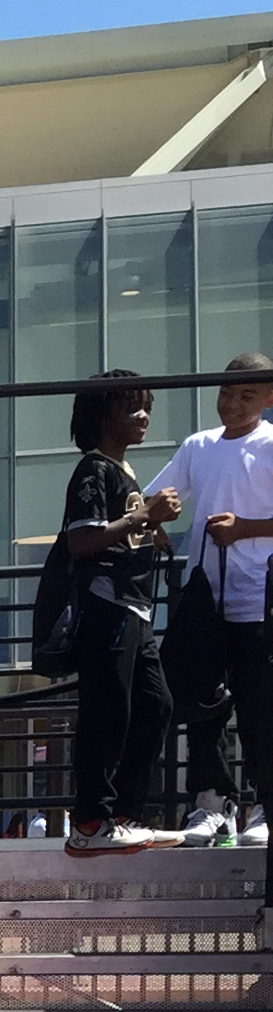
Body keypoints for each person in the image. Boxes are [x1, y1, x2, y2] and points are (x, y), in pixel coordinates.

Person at [57, 371, 183, 855]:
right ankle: (91, 823)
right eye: (132, 407)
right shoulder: (94, 469)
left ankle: (125, 816)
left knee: (155, 705)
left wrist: (148, 527)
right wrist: (144, 516)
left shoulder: (121, 471)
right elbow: (82, 540)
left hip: (134, 608)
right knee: (107, 710)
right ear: (102, 415)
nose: (143, 415)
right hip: (107, 605)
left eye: (146, 405)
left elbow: (119, 529)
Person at [153, 354, 273, 845]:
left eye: (247, 395)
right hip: (204, 599)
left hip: (260, 598)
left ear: (269, 398)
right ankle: (211, 803)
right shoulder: (197, 445)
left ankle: (264, 805)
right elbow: (155, 497)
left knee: (260, 706)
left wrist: (245, 529)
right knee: (203, 708)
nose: (233, 404)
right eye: (226, 393)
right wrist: (152, 521)